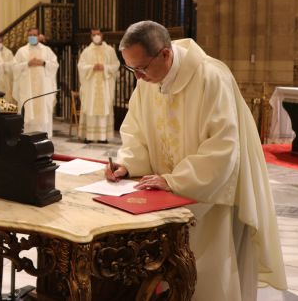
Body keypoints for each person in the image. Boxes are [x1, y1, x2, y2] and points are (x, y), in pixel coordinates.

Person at [105, 21, 286, 300]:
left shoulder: (211, 77)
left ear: (165, 54)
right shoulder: (148, 82)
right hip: (164, 196)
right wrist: (128, 163)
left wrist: (175, 181)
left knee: (209, 276)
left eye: (141, 68)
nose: (138, 77)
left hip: (208, 198)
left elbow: (223, 147)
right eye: (132, 69)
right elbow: (136, 129)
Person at [12, 27, 59, 137]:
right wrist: (27, 64)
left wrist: (43, 63)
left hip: (43, 90)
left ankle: (44, 138)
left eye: (34, 35)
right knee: (29, 112)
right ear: (27, 37)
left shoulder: (46, 50)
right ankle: (28, 139)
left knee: (43, 112)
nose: (32, 37)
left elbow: (55, 65)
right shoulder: (21, 51)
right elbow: (14, 67)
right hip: (28, 90)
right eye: (30, 35)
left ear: (39, 36)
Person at [77, 28, 120, 143]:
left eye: (98, 34)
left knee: (104, 109)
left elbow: (116, 65)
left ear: (102, 35)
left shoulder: (109, 50)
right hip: (91, 87)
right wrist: (92, 67)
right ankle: (89, 136)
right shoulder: (86, 51)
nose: (96, 36)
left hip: (105, 86)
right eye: (93, 34)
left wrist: (105, 67)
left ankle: (103, 137)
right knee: (90, 107)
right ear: (91, 37)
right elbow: (81, 66)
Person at [0, 36, 15, 103]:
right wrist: (0, 66)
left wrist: (5, 65)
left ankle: (7, 111)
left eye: (0, 42)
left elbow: (13, 64)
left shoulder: (8, 52)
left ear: (3, 42)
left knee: (7, 95)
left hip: (7, 77)